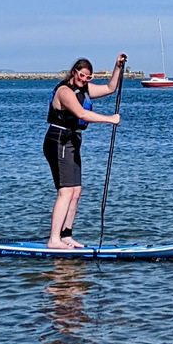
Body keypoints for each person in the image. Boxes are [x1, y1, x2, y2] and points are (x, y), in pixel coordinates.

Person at [43, 53, 126, 249]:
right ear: (74, 73)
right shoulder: (64, 91)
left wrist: (117, 67)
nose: (85, 80)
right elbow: (81, 113)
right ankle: (53, 240)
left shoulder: (85, 88)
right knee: (65, 191)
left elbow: (110, 88)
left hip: (72, 141)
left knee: (76, 192)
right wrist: (110, 119)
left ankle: (66, 235)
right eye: (82, 76)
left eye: (89, 77)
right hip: (58, 140)